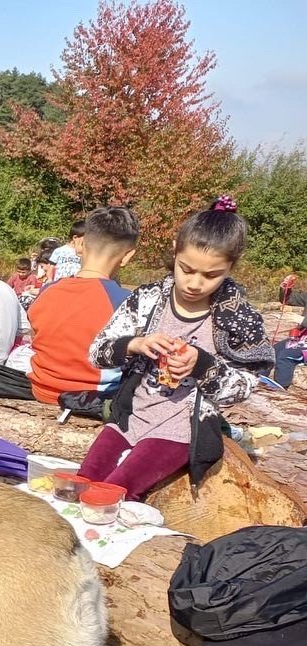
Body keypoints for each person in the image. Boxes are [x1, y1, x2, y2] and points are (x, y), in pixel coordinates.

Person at [77, 197, 274, 500]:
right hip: (130, 415)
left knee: (113, 493)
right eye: (187, 269)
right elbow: (97, 353)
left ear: (230, 267)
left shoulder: (237, 316)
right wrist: (135, 344)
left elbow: (246, 385)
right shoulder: (148, 298)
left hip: (181, 429)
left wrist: (202, 364)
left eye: (211, 275)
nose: (195, 283)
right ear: (175, 250)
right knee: (82, 483)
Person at [27, 206, 140, 405]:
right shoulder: (127, 301)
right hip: (91, 397)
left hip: (42, 389)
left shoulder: (47, 291)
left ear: (80, 244)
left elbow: (35, 336)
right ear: (127, 256)